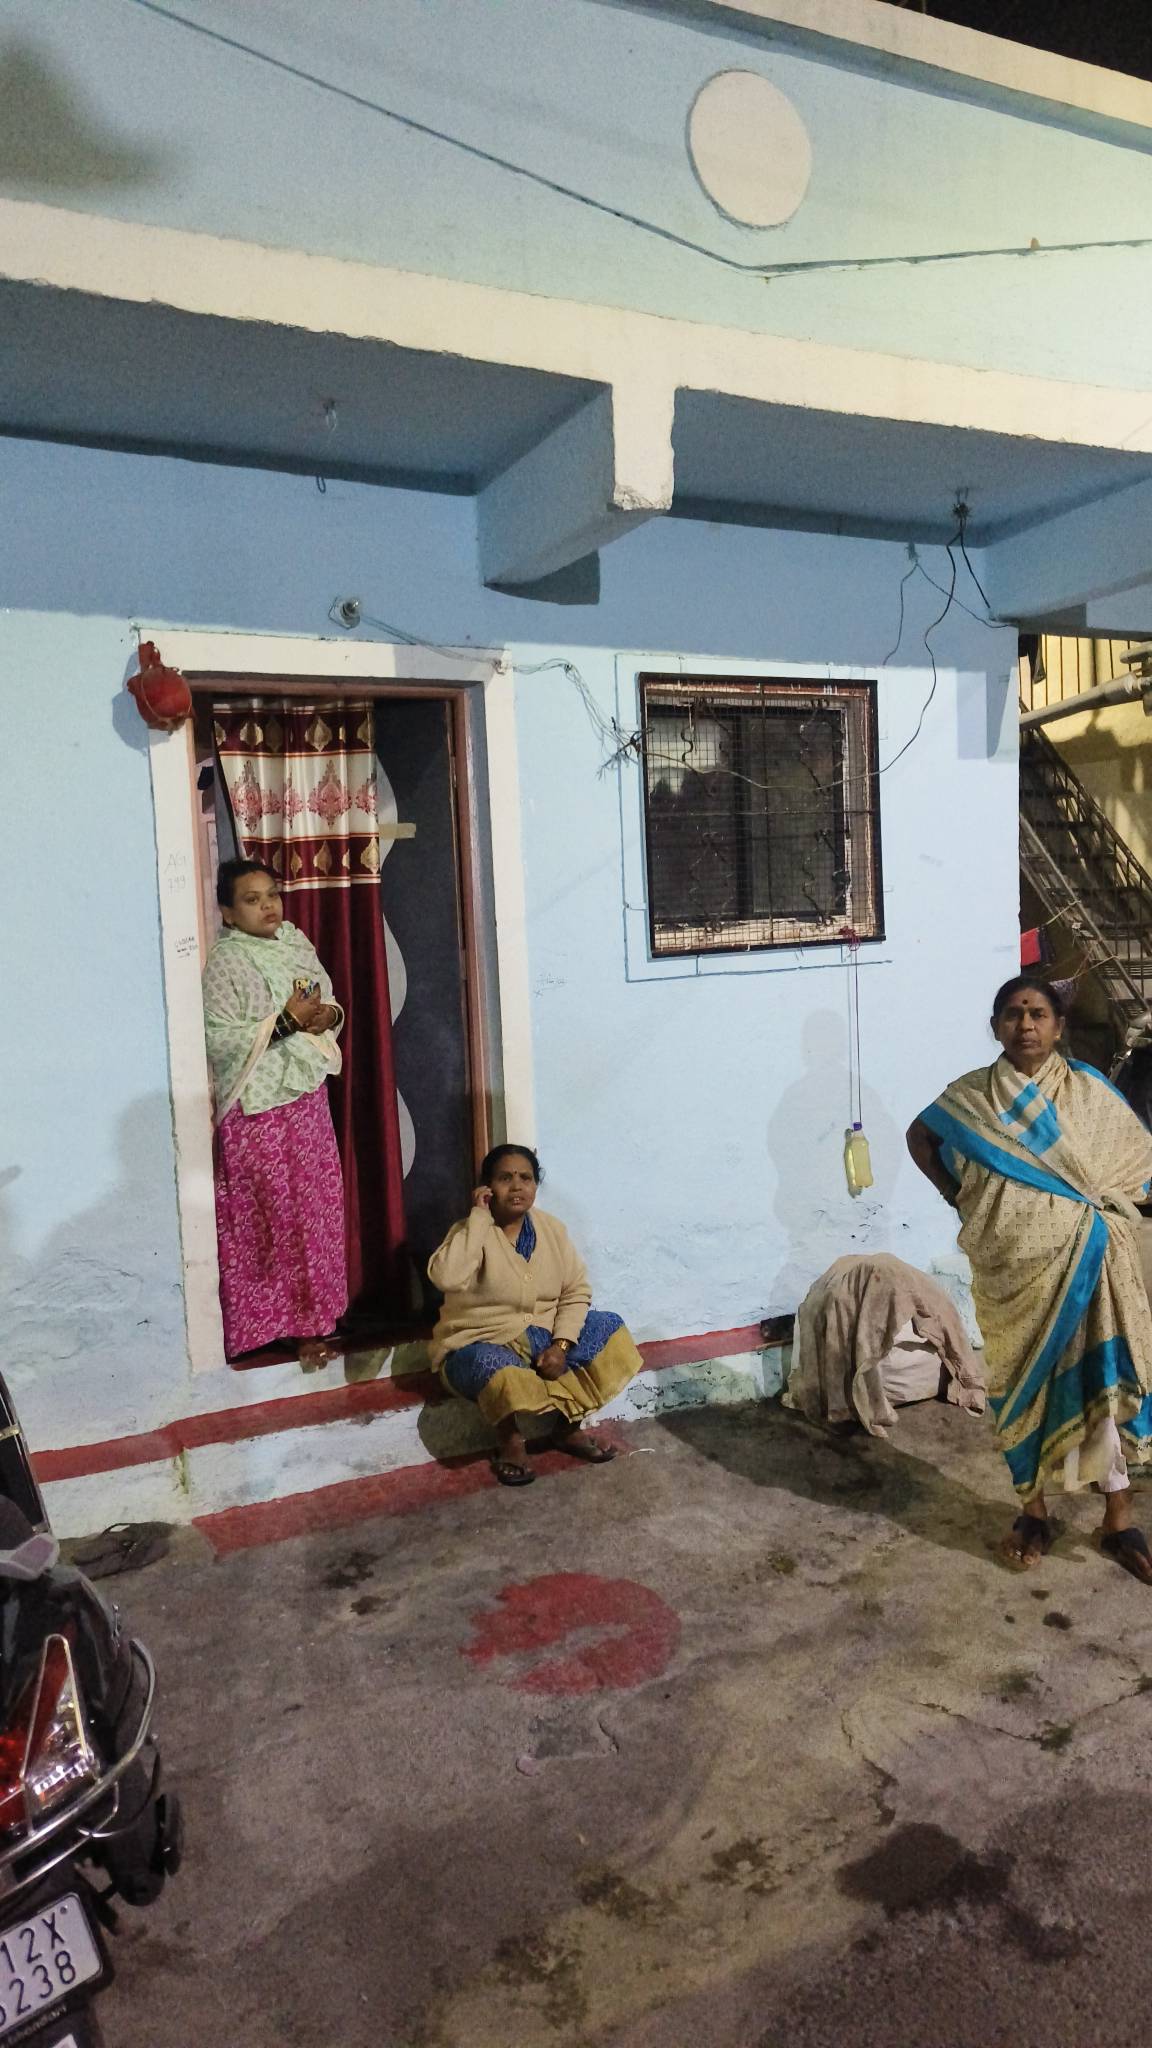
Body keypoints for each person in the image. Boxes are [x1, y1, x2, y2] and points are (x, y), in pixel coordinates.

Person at [907, 975, 1152, 1581]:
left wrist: (1106, 1205)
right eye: (1013, 1014)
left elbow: (1137, 1158)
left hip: (1092, 1269)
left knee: (1101, 1382)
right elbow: (920, 1137)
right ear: (996, 1026)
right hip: (1013, 1277)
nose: (1026, 1025)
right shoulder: (972, 1098)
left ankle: (1118, 1518)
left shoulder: (1088, 1092)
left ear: (1058, 1026)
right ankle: (1033, 1512)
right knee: (1023, 1388)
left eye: (1038, 1013)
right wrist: (959, 1196)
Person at [202, 859, 348, 1366]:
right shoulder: (225, 963)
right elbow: (217, 1040)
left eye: (272, 895)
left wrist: (327, 1015)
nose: (267, 906)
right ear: (227, 912)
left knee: (314, 1211)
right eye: (251, 899)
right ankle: (269, 1324)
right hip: (257, 1111)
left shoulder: (294, 942)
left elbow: (326, 1000)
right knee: (271, 1216)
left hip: (305, 1100)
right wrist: (286, 1021)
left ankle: (314, 1322)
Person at [428, 1145, 643, 1486]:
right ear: (487, 1187)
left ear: (535, 1185)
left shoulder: (551, 1230)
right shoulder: (469, 1232)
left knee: (608, 1328)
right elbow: (446, 1277)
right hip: (480, 1344)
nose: (516, 1186)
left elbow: (575, 1291)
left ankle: (567, 1429)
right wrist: (479, 1218)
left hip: (543, 1340)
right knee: (490, 1364)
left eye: (525, 1178)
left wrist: (561, 1345)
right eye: (505, 1178)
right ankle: (511, 1440)